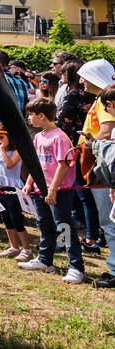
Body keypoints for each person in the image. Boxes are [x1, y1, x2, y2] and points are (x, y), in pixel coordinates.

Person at [19, 97, 85, 283]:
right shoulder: (38, 137)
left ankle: (76, 267)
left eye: (31, 115)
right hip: (42, 190)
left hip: (59, 191)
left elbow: (63, 166)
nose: (29, 119)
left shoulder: (59, 137)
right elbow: (36, 163)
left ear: (42, 115)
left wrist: (53, 190)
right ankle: (44, 260)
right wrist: (30, 182)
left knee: (63, 227)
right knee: (44, 224)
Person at [77, 62, 115, 287]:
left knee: (109, 220)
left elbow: (106, 130)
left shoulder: (105, 101)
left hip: (103, 169)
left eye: (84, 76)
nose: (81, 81)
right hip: (102, 167)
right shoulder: (103, 99)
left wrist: (91, 147)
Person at [0, 126, 30, 260]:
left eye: (1, 138)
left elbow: (9, 165)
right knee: (6, 219)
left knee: (16, 219)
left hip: (12, 190)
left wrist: (3, 150)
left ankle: (26, 249)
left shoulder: (16, 151)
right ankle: (14, 247)